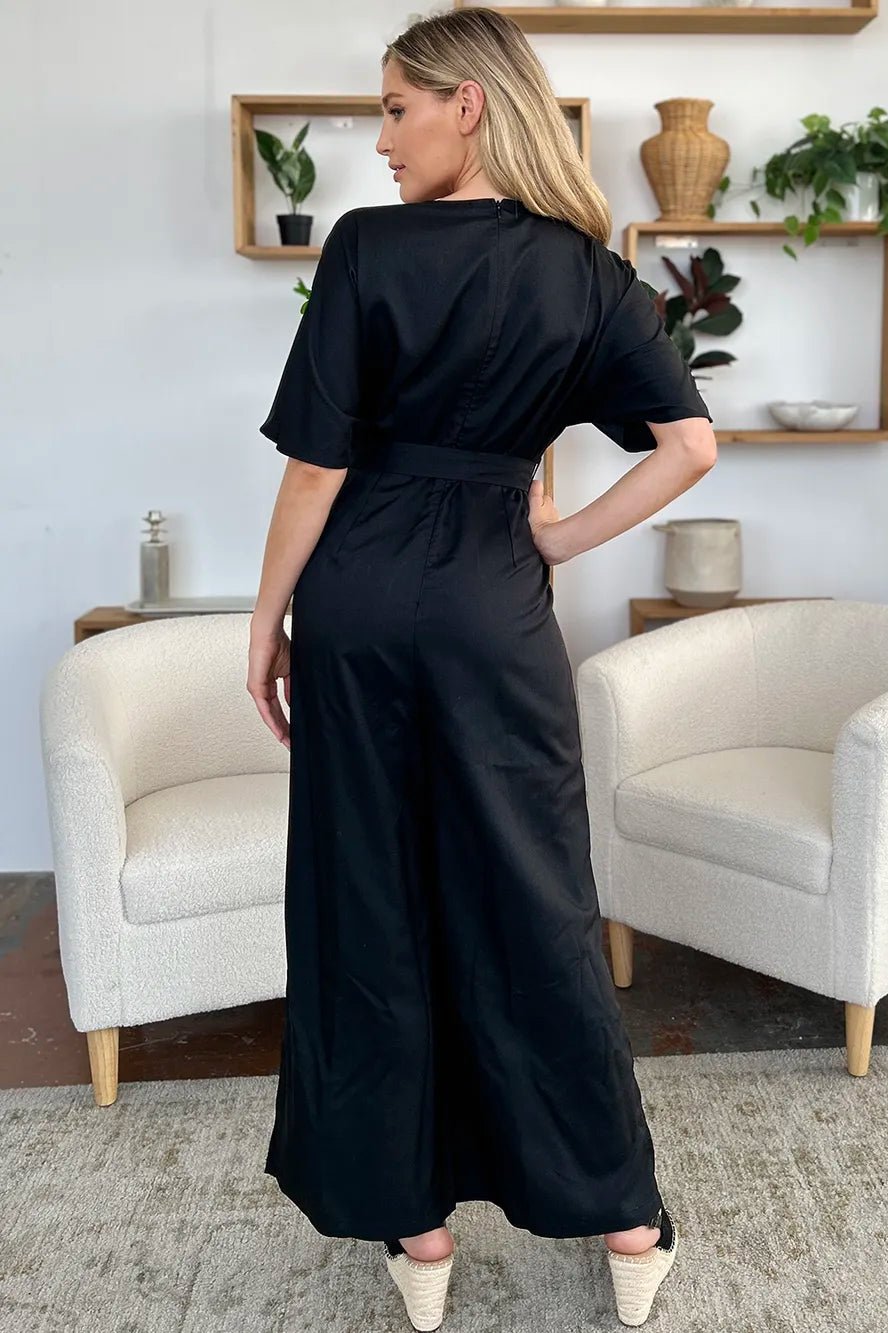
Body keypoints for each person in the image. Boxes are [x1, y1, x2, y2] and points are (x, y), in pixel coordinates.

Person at [247, 7, 716, 1329]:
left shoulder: (366, 252)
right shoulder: (583, 271)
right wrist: (555, 530)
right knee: (533, 894)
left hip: (359, 593)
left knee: (370, 895)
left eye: (397, 108)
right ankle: (624, 1217)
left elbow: (316, 466)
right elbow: (689, 447)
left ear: (468, 104)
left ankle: (422, 1231)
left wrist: (266, 617)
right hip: (492, 604)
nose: (380, 139)